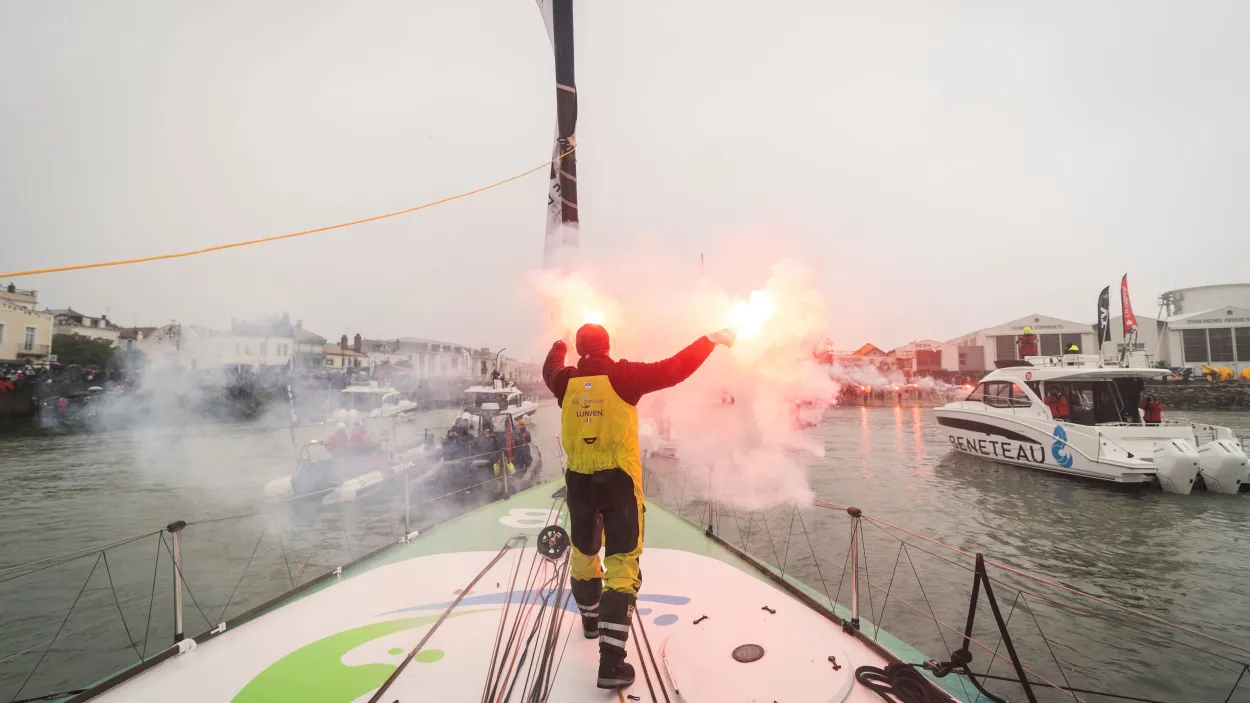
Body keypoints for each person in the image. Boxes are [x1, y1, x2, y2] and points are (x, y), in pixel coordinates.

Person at [543, 322, 734, 689]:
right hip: (619, 483)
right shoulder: (623, 375)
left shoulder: (564, 381)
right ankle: (611, 663)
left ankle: (590, 619)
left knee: (583, 554)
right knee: (622, 564)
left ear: (581, 348)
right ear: (607, 345)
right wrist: (710, 340)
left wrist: (559, 342)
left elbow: (550, 366)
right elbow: (675, 367)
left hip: (579, 484)